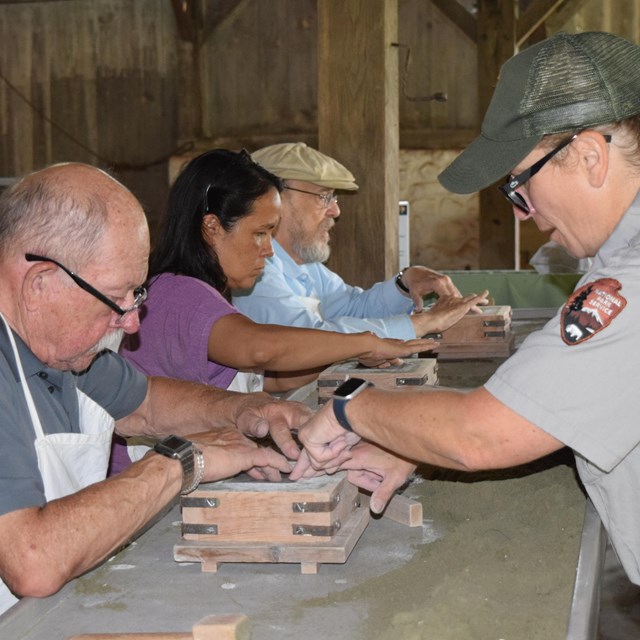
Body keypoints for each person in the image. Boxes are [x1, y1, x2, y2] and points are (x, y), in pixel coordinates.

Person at [290, 31, 640, 586]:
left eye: (520, 183)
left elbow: (484, 434)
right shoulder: (615, 254)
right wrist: (417, 447)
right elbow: (554, 402)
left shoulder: (633, 275)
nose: (522, 213)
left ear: (589, 157)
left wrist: (350, 406)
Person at [0, 162, 311, 615]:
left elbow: (144, 403)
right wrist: (181, 462)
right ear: (40, 283)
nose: (130, 322)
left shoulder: (60, 348)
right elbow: (33, 563)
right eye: (116, 298)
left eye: (136, 295)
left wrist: (245, 410)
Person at [113, 149, 435, 473]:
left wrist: (346, 355)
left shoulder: (209, 292)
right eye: (259, 233)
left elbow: (274, 380)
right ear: (212, 227)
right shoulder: (177, 292)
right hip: (148, 485)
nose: (268, 251)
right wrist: (364, 342)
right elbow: (261, 350)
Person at [232, 141, 488, 339]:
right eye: (323, 196)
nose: (335, 211)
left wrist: (405, 282)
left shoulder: (304, 265)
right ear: (274, 198)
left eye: (334, 197)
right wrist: (421, 324)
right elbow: (309, 340)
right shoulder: (252, 270)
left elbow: (352, 308)